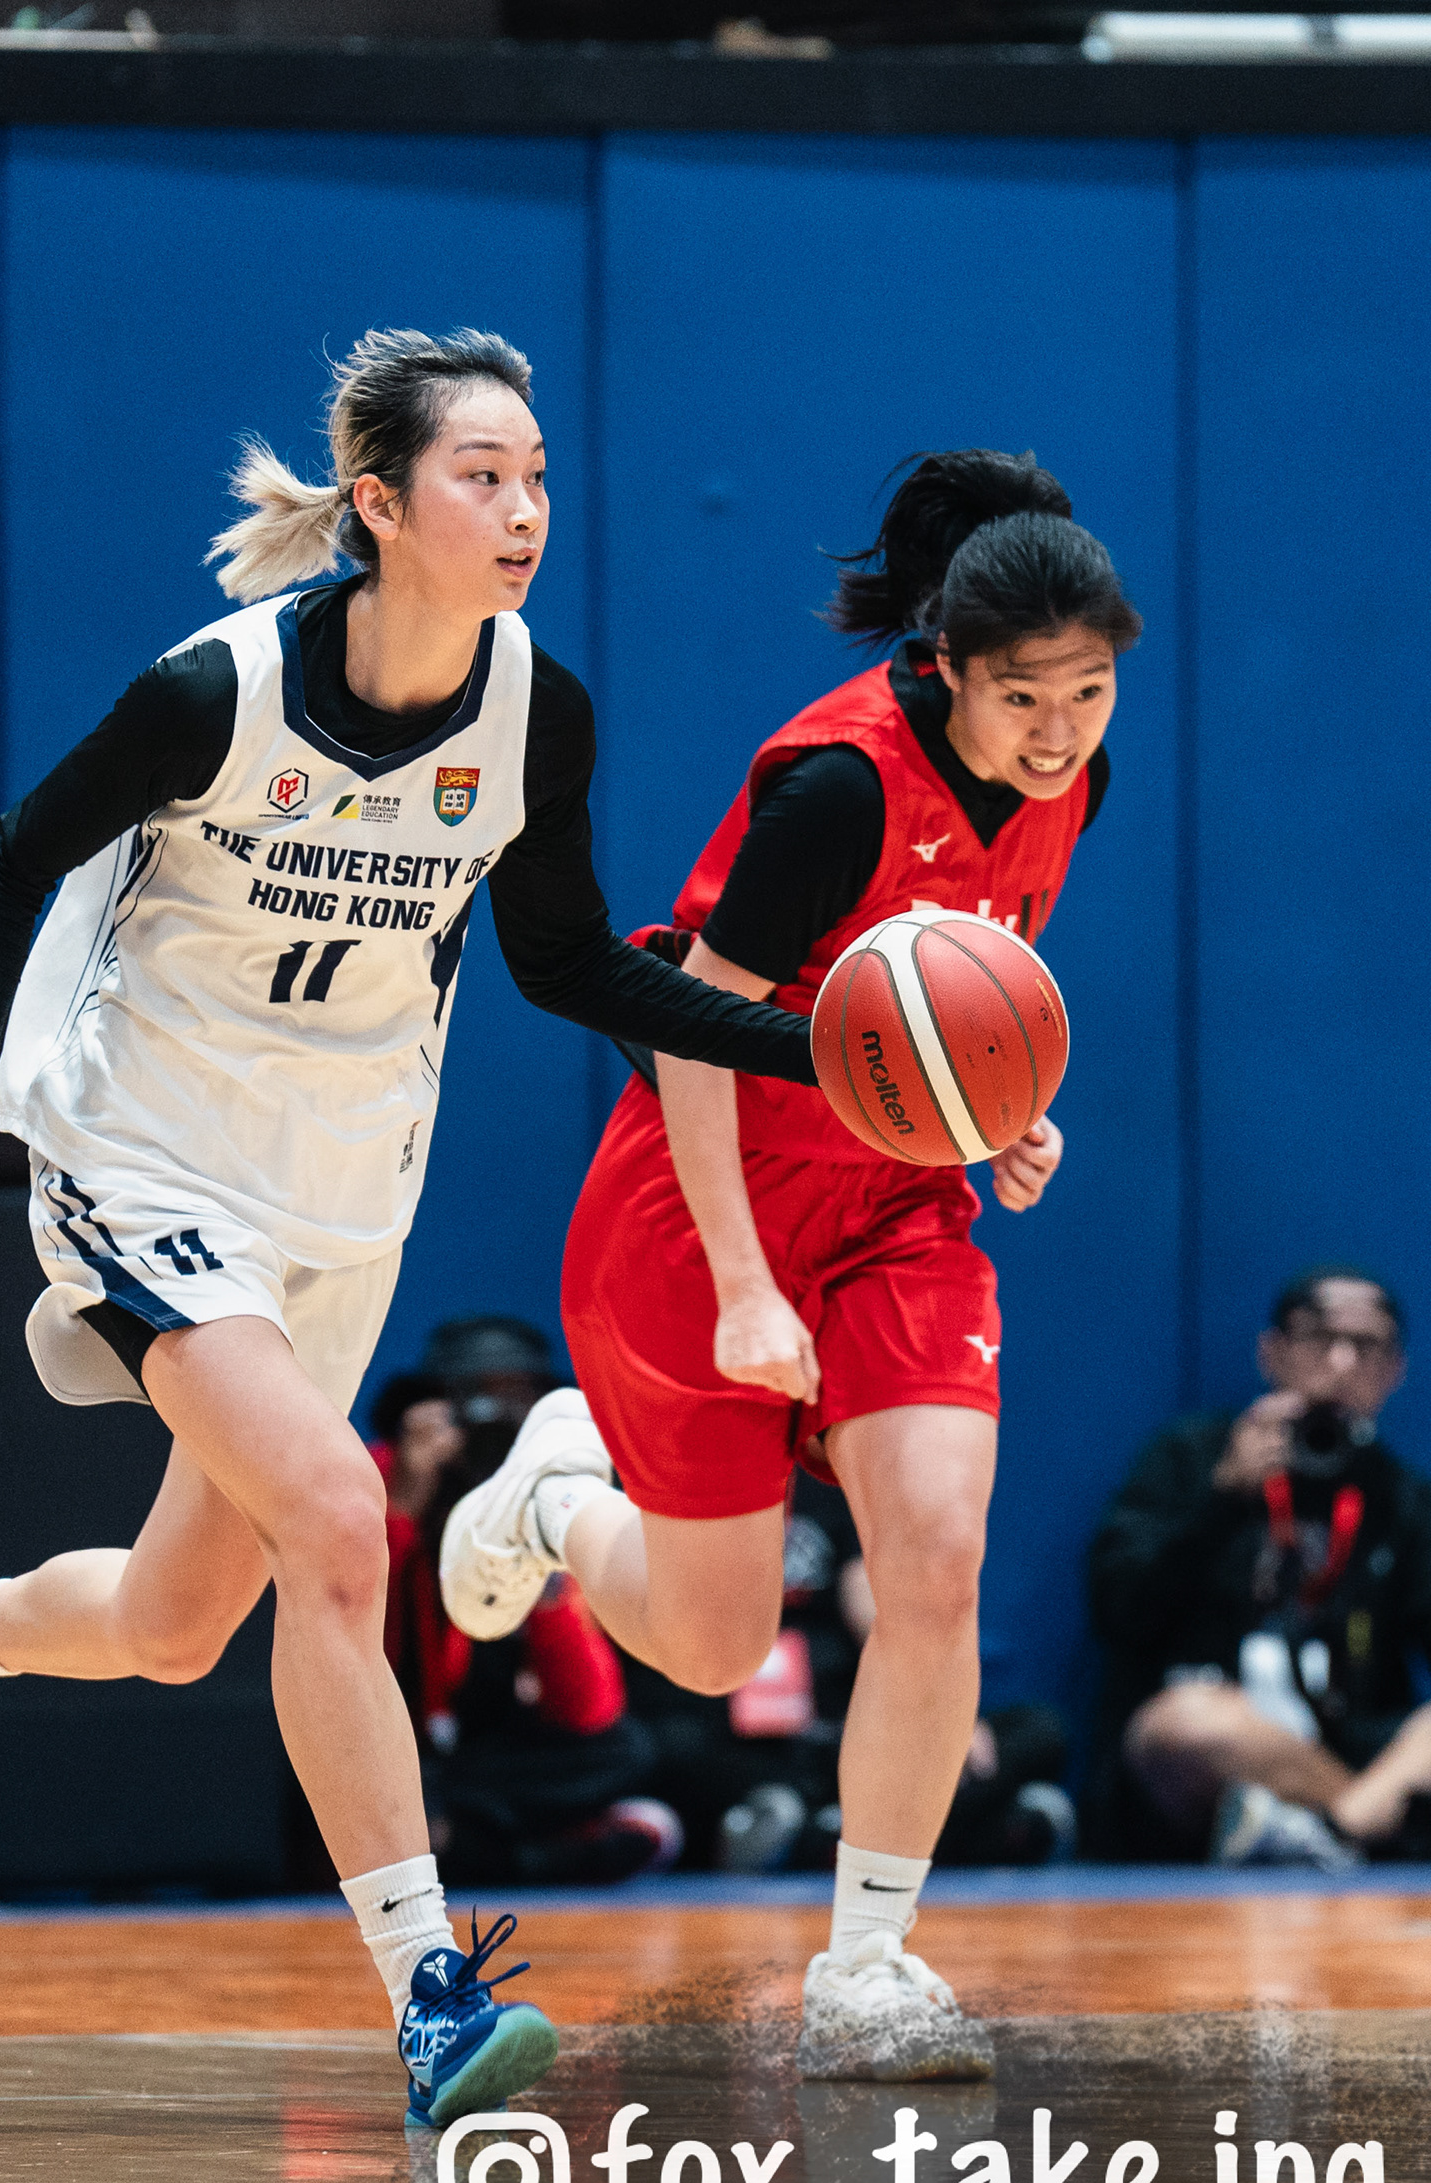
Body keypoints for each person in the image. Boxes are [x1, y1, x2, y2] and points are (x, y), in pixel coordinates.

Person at [0, 326, 823, 2136]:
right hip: (148, 1154)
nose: (526, 510)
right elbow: (11, 860)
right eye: (483, 477)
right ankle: (434, 1994)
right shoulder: (219, 692)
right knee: (344, 1519)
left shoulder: (536, 714)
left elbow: (571, 964)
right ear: (380, 504)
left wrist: (831, 1057)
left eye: (537, 478)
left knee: (180, 1621)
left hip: (344, 1185)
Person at [440, 449, 1141, 2081]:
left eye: (1091, 694)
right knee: (711, 1642)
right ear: (947, 667)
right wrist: (748, 1284)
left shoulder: (1071, 783)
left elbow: (948, 1004)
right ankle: (554, 1500)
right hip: (708, 1207)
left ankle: (868, 1968)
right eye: (1026, 698)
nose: (1059, 731)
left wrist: (997, 1117)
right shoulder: (835, 788)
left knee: (937, 1558)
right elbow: (695, 1030)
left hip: (896, 1213)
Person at [1089, 1270, 1431, 1865]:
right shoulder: (1193, 1457)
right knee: (1185, 1722)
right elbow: (1119, 1611)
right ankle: (1359, 1832)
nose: (1342, 1363)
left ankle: (1332, 1831)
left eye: (1367, 1346)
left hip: (1345, 1745)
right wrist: (1222, 1498)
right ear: (1270, 1352)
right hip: (1216, 1751)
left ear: (1396, 1370)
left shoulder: (1398, 1496)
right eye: (1319, 1338)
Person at [622, 1474, 1074, 1873]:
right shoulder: (677, 1480)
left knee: (1037, 1730)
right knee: (671, 1748)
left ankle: (823, 1836)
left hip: (844, 1726)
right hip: (743, 1727)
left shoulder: (829, 1480)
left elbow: (873, 1606)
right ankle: (980, 1832)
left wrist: (937, 1708)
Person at [372, 1368, 678, 1887]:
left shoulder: (535, 1494)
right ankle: (547, 1853)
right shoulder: (382, 1477)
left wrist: (547, 1579)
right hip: (389, 1741)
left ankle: (466, 1842)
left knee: (623, 1748)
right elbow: (355, 1635)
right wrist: (402, 1508)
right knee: (389, 1789)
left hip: (479, 1758)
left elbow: (588, 1710)